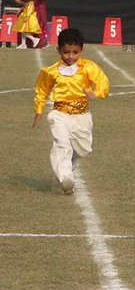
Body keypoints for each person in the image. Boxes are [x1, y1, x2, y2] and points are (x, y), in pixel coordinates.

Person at [32, 27, 110, 194]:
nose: (71, 56)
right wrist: (39, 110)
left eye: (75, 52)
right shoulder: (51, 71)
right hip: (60, 114)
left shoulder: (88, 67)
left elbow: (103, 83)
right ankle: (65, 177)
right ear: (58, 50)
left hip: (82, 115)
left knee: (82, 149)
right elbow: (42, 90)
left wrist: (95, 94)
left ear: (82, 50)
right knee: (62, 143)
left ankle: (68, 169)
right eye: (66, 52)